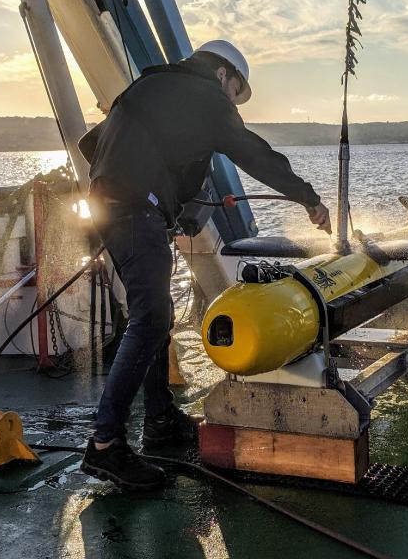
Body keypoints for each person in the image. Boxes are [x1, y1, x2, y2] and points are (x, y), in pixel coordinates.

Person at [77, 39, 331, 490]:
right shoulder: (207, 97)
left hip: (113, 206)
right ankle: (104, 446)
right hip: (134, 210)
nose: (234, 102)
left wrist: (146, 188)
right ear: (222, 75)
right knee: (152, 318)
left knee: (154, 315)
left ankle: (158, 421)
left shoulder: (153, 84)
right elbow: (253, 153)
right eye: (237, 91)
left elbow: (91, 141)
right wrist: (308, 197)